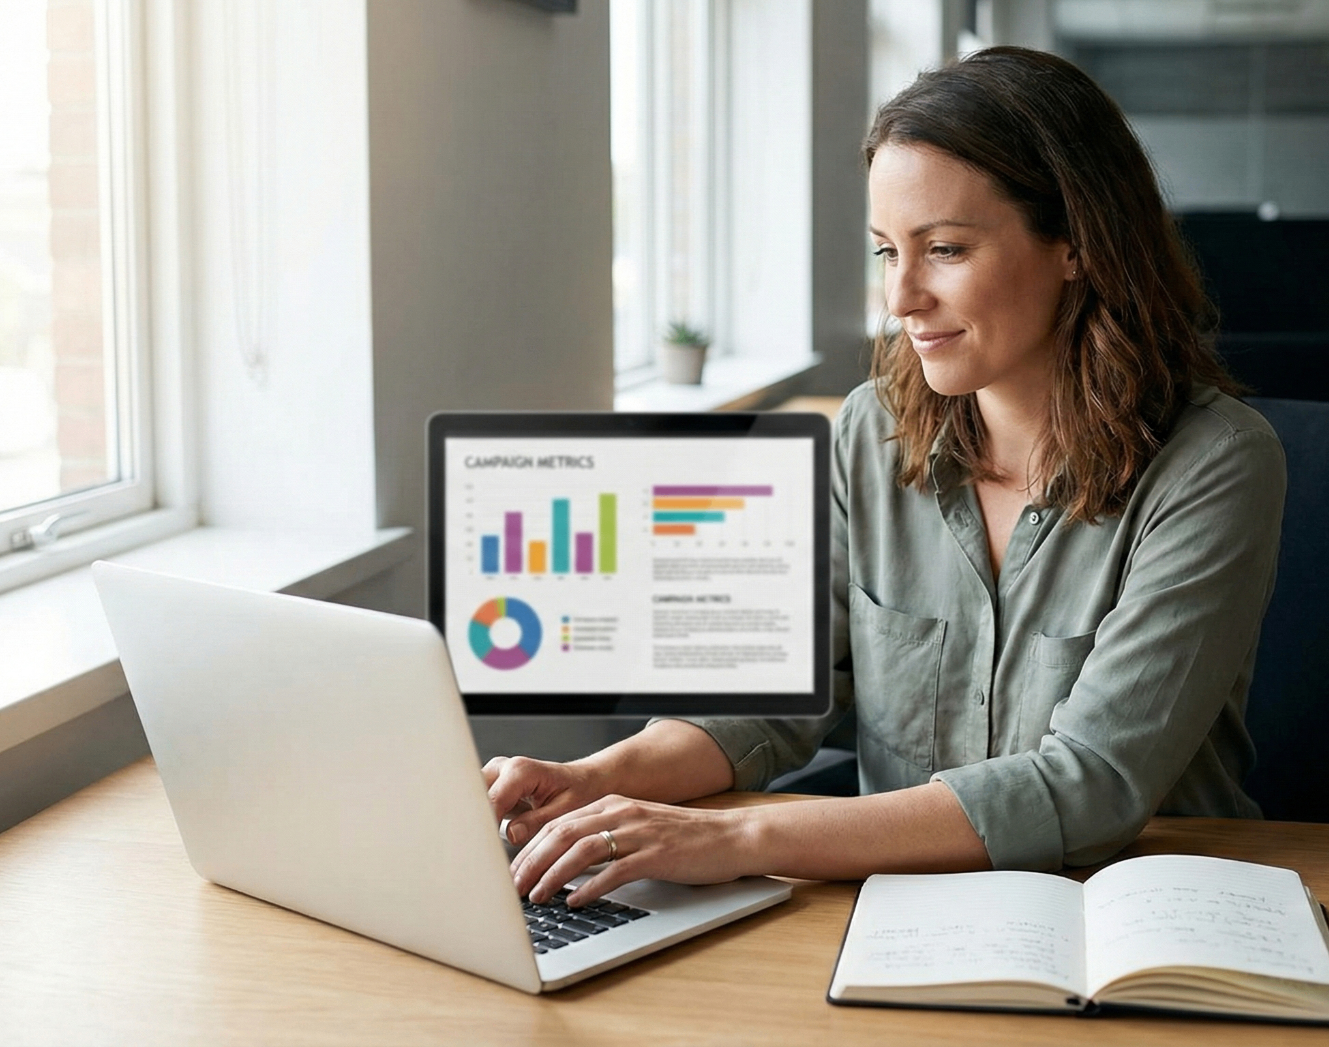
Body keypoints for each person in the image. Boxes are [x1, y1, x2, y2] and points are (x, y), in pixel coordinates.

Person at [486, 46, 1285, 907]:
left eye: (944, 249)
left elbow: (1090, 784)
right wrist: (597, 778)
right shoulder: (872, 430)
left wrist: (733, 837)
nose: (901, 298)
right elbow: (767, 700)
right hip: (903, 911)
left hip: (1133, 913)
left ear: (1076, 246)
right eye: (885, 252)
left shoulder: (1215, 464)